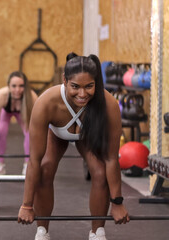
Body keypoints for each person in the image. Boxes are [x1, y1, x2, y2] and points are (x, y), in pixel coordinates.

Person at [17, 53, 130, 240]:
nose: (82, 94)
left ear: (96, 83)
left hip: (87, 134)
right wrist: (27, 206)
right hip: (56, 134)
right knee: (45, 169)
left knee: (100, 172)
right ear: (65, 81)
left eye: (89, 86)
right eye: (75, 87)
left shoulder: (108, 104)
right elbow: (34, 161)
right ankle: (42, 230)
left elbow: (111, 158)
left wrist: (117, 202)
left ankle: (97, 231)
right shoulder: (46, 102)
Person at [0, 71, 38, 175]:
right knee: (0, 131)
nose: (17, 90)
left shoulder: (31, 97)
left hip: (21, 110)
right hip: (3, 108)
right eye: (14, 86)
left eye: (21, 86)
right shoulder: (1, 95)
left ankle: (28, 164)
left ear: (25, 86)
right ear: (8, 86)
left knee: (30, 132)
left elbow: (37, 128)